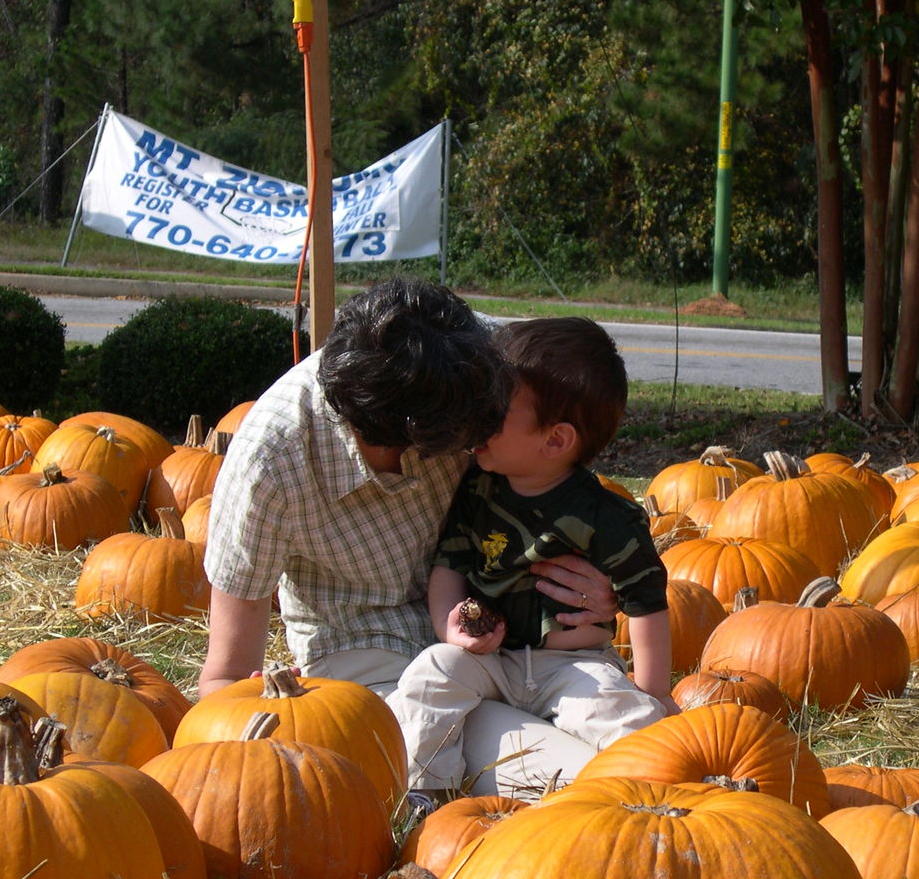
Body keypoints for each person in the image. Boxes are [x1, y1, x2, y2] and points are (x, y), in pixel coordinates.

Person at [199, 277, 622, 794]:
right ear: (414, 440)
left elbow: (566, 446)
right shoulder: (272, 462)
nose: (486, 439)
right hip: (371, 656)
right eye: (476, 438)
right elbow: (224, 678)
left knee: (631, 738)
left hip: (514, 635)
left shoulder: (481, 359)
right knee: (570, 779)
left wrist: (605, 586)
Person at [386, 316, 677, 800]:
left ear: (555, 440)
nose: (477, 419)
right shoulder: (477, 487)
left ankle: (653, 797)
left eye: (494, 410)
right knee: (431, 673)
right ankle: (423, 794)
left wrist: (655, 693)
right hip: (490, 659)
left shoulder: (607, 517)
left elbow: (647, 601)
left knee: (627, 717)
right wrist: (448, 628)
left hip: (573, 667)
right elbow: (450, 565)